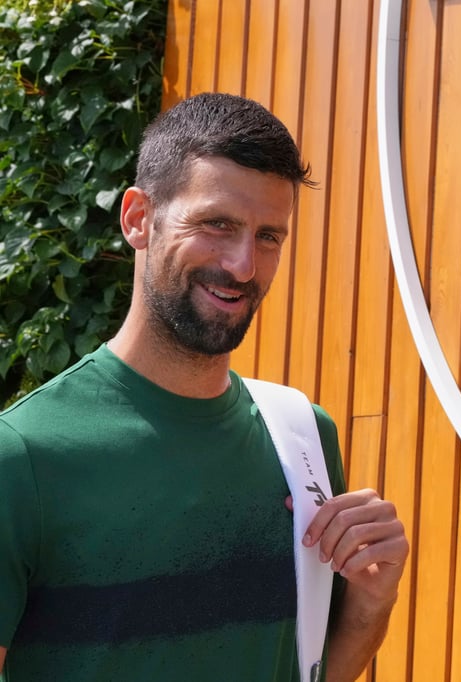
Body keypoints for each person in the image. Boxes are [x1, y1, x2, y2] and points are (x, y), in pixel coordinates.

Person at [0, 92, 409, 681]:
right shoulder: (23, 457)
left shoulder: (302, 437)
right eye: (217, 224)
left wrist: (372, 601)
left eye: (269, 236)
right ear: (139, 218)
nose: (244, 265)